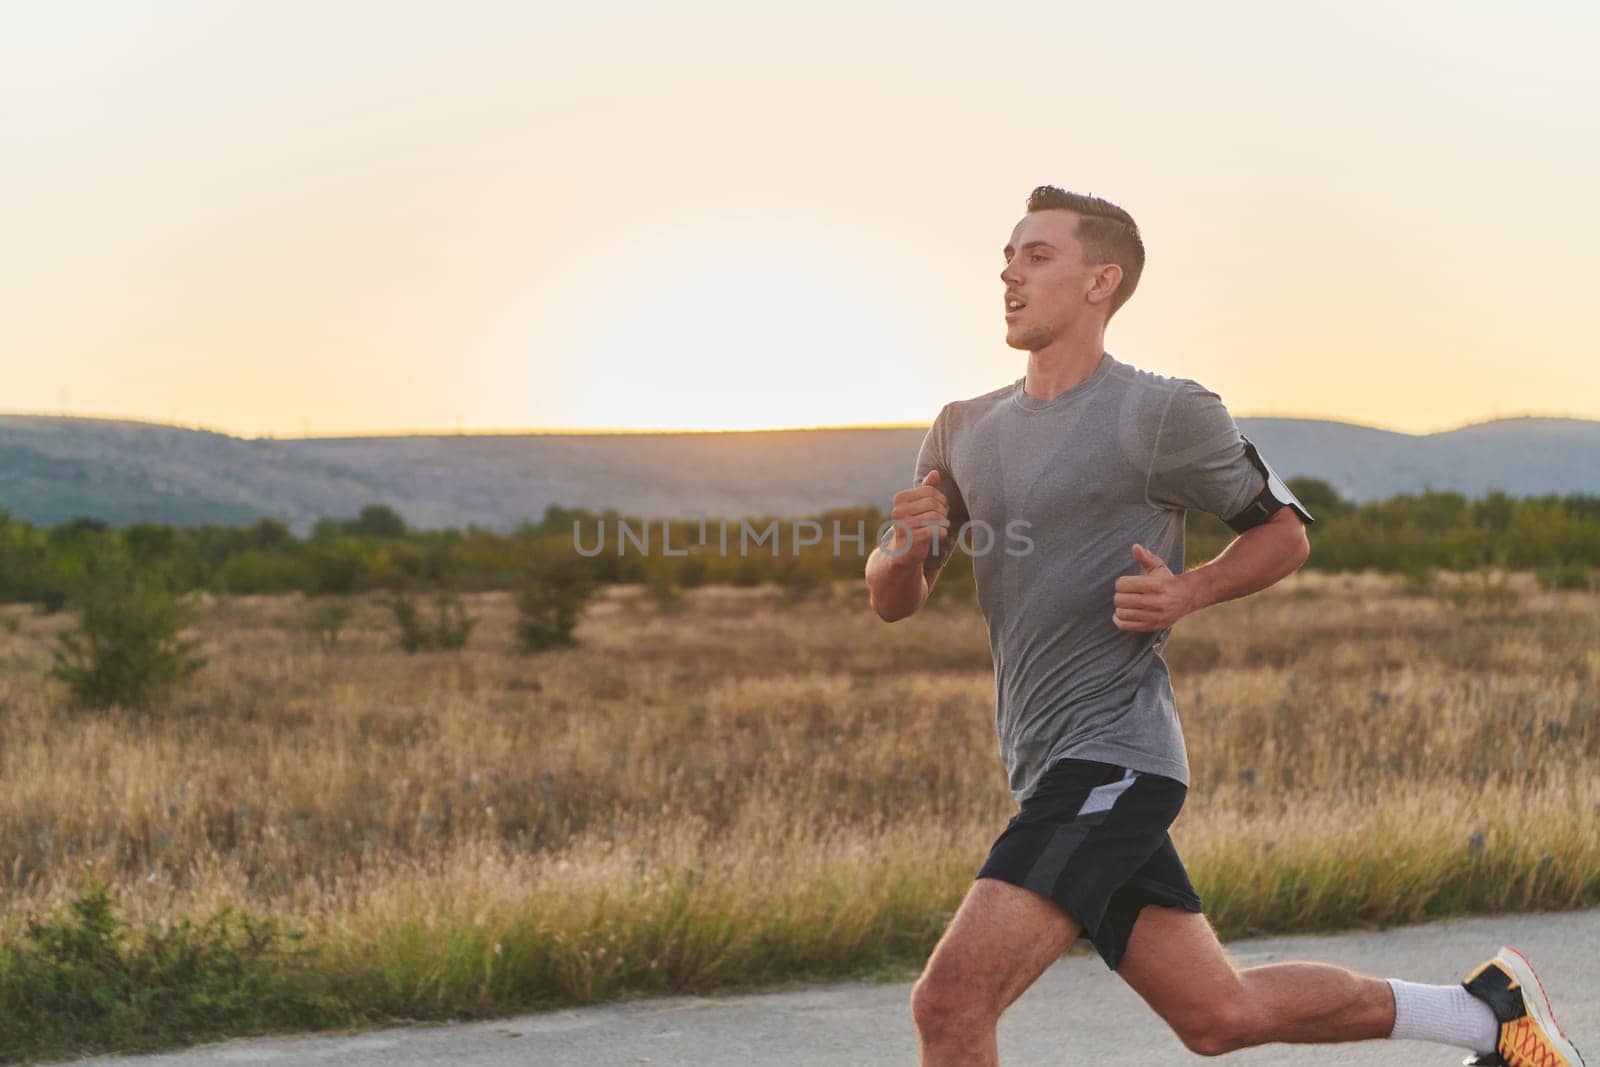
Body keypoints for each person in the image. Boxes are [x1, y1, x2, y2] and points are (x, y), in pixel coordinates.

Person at [862, 185, 1585, 1067]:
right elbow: (894, 597)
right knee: (1219, 1016)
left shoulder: (1162, 412)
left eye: (1036, 255)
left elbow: (1284, 534)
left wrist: (1188, 592)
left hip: (1115, 760)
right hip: (1046, 763)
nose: (1009, 271)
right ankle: (1488, 1017)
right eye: (1008, 256)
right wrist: (905, 549)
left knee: (950, 1000)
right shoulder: (961, 429)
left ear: (1102, 281)